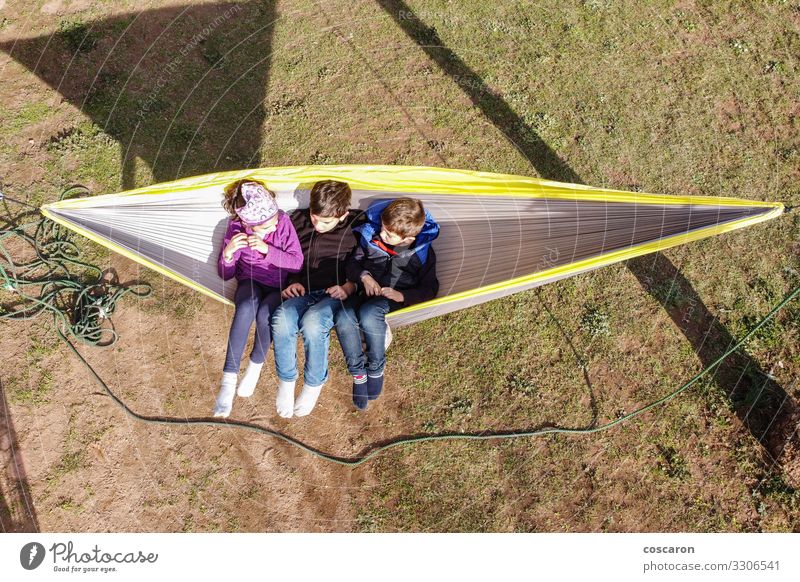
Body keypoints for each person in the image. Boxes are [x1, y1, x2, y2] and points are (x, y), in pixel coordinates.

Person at [270, 180, 363, 418]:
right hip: (303, 290)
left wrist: (350, 286)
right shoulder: (297, 221)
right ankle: (287, 381)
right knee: (282, 318)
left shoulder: (357, 225)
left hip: (336, 294)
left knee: (313, 322)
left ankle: (313, 384)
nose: (317, 224)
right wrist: (291, 282)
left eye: (326, 221)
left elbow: (365, 261)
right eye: (314, 217)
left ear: (342, 215)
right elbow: (286, 254)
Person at [336, 197, 439, 410]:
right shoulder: (370, 239)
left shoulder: (422, 254)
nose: (382, 234)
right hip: (364, 291)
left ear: (408, 239)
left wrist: (402, 296)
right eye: (382, 228)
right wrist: (364, 276)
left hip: (391, 301)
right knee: (343, 316)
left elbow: (430, 289)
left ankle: (375, 368)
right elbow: (352, 264)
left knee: (369, 312)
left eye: (388, 234)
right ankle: (358, 374)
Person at [213, 179, 302, 418]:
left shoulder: (282, 222)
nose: (272, 228)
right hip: (249, 282)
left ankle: (254, 368)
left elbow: (296, 262)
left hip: (277, 286)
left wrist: (267, 250)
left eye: (273, 223)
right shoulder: (236, 230)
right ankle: (228, 381)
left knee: (265, 315)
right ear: (247, 224)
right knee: (246, 305)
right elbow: (225, 274)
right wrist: (229, 252)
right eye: (265, 227)